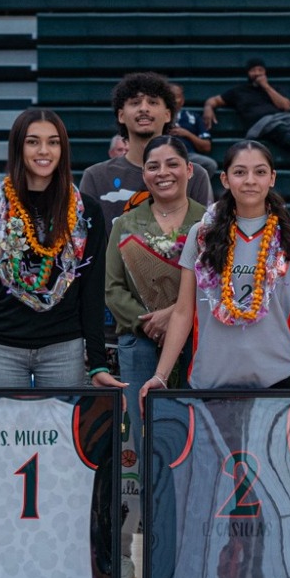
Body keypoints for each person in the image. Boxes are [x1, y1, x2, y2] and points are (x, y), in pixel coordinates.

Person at [143, 140, 290, 413]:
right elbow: (182, 312)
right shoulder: (201, 236)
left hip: (277, 381)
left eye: (260, 172)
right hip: (211, 381)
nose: (250, 181)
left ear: (272, 178)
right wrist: (160, 376)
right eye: (239, 172)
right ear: (225, 179)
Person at [0, 109, 123, 392]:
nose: (43, 151)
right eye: (33, 141)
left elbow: (92, 289)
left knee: (58, 435)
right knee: (5, 434)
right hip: (0, 346)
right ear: (18, 147)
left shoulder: (87, 210)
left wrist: (97, 362)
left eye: (53, 142)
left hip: (63, 346)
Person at [104, 135, 206, 449]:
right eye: (153, 166)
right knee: (147, 437)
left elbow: (218, 286)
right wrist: (151, 322)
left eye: (172, 164)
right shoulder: (126, 224)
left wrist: (175, 316)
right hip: (139, 342)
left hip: (199, 343)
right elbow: (112, 288)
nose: (163, 172)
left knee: (195, 436)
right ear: (144, 175)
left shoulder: (210, 222)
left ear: (189, 170)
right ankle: (154, 498)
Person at [81, 72, 212, 222]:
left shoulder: (195, 175)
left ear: (168, 115)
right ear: (121, 115)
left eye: (153, 102)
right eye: (135, 102)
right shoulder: (95, 176)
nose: (144, 108)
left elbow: (204, 237)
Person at [204, 59, 290, 171]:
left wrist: (266, 87)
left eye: (260, 70)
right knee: (279, 127)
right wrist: (208, 107)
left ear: (265, 72)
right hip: (259, 123)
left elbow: (285, 106)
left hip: (281, 117)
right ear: (248, 73)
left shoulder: (273, 88)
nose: (257, 73)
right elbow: (214, 100)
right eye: (253, 70)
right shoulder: (238, 91)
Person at [165, 82, 218, 179]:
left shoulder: (194, 117)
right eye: (169, 96)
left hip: (187, 155)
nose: (172, 100)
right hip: (162, 154)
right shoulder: (156, 116)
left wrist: (187, 134)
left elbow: (207, 147)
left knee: (210, 164)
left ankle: (189, 191)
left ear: (182, 100)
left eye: (176, 96)